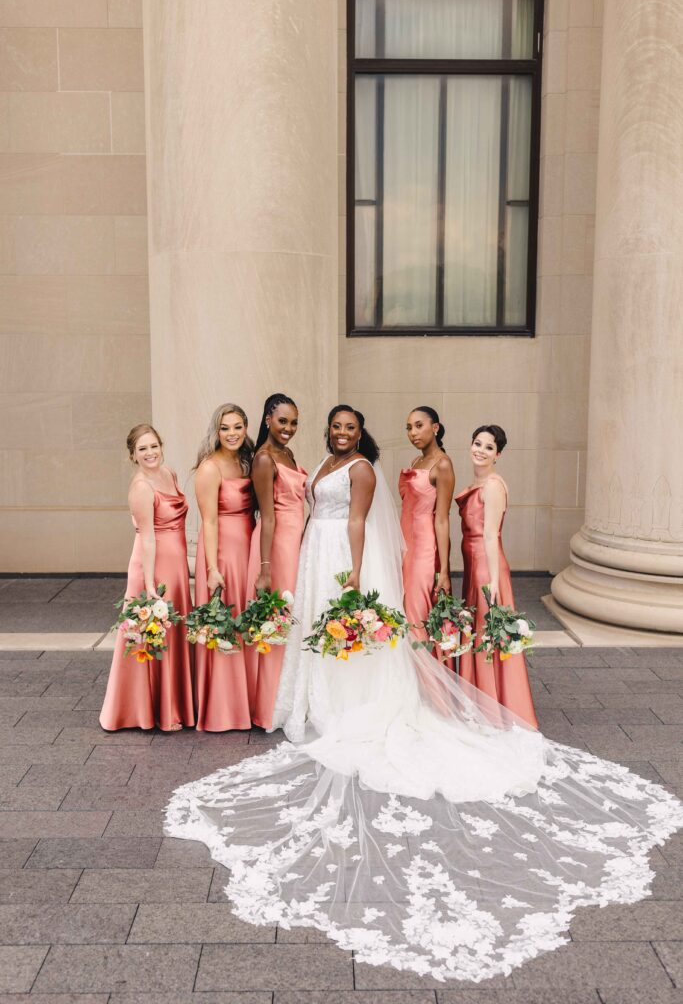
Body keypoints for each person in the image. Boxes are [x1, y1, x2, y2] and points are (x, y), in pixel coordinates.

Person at [165, 407, 683, 983]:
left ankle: (348, 702)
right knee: (313, 631)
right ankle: (320, 696)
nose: (339, 433)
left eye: (348, 426)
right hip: (316, 550)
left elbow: (360, 522)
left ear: (361, 433)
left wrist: (357, 573)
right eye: (333, 426)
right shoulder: (324, 462)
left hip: (342, 555)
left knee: (348, 635)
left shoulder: (360, 468)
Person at [100, 424, 194, 732]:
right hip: (153, 566)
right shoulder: (140, 487)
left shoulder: (169, 473)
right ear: (132, 455)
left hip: (176, 564)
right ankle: (154, 712)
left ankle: (175, 704)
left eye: (154, 446)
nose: (150, 453)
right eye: (143, 449)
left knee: (173, 630)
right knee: (154, 632)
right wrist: (150, 584)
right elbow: (148, 538)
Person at [455, 424, 538, 727]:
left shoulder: (492, 485)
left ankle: (492, 705)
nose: (480, 450)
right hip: (473, 565)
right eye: (477, 443)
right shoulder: (478, 483)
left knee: (486, 631)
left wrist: (491, 581)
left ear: (498, 454)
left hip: (485, 566)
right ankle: (479, 699)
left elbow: (490, 535)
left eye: (489, 447)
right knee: (478, 630)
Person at [245, 393, 307, 727]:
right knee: (276, 620)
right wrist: (265, 568)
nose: (288, 428)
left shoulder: (288, 453)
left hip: (293, 546)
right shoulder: (265, 458)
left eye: (294, 422)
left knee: (290, 619)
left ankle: (287, 698)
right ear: (268, 419)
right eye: (283, 421)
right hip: (275, 548)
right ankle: (267, 705)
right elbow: (267, 517)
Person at [193, 403, 255, 731]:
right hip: (223, 549)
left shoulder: (246, 460)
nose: (232, 434)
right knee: (224, 618)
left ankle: (247, 700)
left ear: (246, 428)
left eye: (237, 427)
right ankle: (222, 708)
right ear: (216, 431)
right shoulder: (210, 467)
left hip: (247, 543)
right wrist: (211, 567)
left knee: (245, 616)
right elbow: (208, 521)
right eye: (225, 428)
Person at [399, 406, 455, 665]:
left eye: (419, 425)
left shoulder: (442, 464)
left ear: (435, 427)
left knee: (417, 616)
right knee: (404, 612)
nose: (413, 432)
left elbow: (442, 519)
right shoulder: (416, 462)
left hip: (423, 550)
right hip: (405, 547)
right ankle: (411, 683)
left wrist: (443, 570)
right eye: (409, 427)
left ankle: (431, 691)